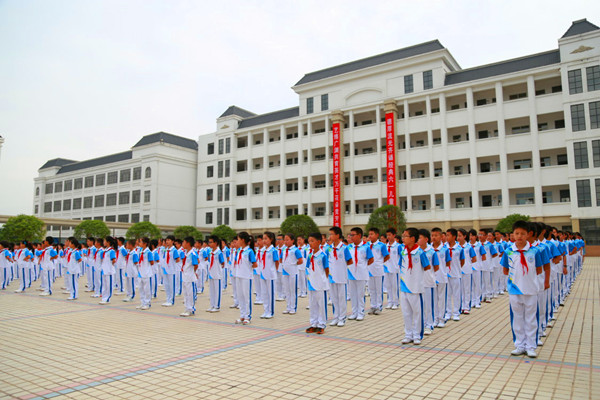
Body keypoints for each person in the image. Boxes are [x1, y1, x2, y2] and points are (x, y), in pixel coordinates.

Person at [501, 221, 543, 358]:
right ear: (512, 234)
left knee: (531, 319)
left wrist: (529, 281)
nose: (519, 236)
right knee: (517, 319)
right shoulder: (509, 251)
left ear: (528, 235)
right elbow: (505, 269)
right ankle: (519, 345)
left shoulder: (535, 251)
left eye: (523, 234)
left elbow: (539, 269)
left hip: (531, 290)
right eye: (517, 233)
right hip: (514, 290)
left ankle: (531, 346)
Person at [399, 228, 431, 345]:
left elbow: (427, 267)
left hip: (416, 287)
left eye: (405, 236)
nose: (403, 238)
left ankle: (417, 335)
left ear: (412, 238)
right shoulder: (402, 252)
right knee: (406, 312)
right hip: (404, 286)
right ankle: (408, 334)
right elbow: (401, 266)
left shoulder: (420, 252)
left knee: (417, 312)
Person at [327, 226, 352, 327]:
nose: (330, 236)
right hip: (331, 277)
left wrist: (341, 268)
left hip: (341, 277)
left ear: (337, 235)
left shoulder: (344, 248)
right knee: (334, 298)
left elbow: (350, 260)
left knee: (341, 298)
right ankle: (335, 317)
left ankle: (342, 318)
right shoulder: (329, 248)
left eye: (332, 234)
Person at [305, 232, 330, 334]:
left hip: (320, 284)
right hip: (312, 283)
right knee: (313, 304)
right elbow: (308, 267)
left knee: (321, 304)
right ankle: (313, 323)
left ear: (319, 242)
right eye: (309, 241)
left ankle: (321, 324)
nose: (310, 243)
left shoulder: (323, 255)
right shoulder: (310, 255)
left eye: (312, 241)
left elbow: (326, 269)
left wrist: (323, 280)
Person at [347, 227, 374, 321]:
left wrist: (363, 266)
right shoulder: (349, 247)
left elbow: (371, 259)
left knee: (360, 294)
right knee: (353, 294)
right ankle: (354, 312)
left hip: (361, 273)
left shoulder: (366, 246)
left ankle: (361, 313)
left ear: (359, 235)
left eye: (353, 235)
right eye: (350, 235)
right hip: (351, 273)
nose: (351, 237)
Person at [418, 229, 439, 335]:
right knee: (420, 305)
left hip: (428, 282)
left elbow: (436, 267)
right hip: (418, 283)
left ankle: (429, 325)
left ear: (426, 239)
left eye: (420, 238)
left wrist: (429, 275)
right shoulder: (416, 251)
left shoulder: (432, 252)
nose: (418, 240)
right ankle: (421, 324)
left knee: (428, 305)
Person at [235, 232, 257, 325]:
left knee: (246, 297)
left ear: (243, 240)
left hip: (246, 276)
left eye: (238, 239)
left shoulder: (250, 251)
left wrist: (247, 269)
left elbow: (255, 264)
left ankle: (248, 316)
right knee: (240, 296)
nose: (237, 241)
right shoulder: (239, 250)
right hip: (238, 275)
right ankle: (242, 315)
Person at [367, 227, 389, 315]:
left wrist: (380, 262)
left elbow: (387, 256)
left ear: (377, 235)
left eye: (372, 234)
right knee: (371, 289)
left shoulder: (381, 245)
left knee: (378, 289)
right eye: (369, 234)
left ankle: (379, 307)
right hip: (369, 270)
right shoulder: (367, 245)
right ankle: (373, 306)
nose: (370, 236)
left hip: (378, 270)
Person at [280, 233, 303, 315]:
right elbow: (280, 259)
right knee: (287, 290)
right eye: (284, 240)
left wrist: (293, 264)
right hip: (285, 272)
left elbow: (300, 261)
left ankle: (293, 308)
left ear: (292, 241)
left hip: (293, 272)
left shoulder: (295, 250)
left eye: (287, 240)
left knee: (292, 290)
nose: (285, 242)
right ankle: (288, 307)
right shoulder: (283, 250)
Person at [430, 228, 448, 328]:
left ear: (441, 237)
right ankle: (435, 319)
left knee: (441, 298)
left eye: (436, 235)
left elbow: (448, 262)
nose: (434, 237)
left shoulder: (445, 249)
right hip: (431, 277)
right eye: (432, 235)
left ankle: (442, 318)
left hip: (441, 277)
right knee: (433, 299)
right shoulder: (429, 249)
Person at [445, 229, 464, 321]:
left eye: (448, 235)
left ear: (454, 237)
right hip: (446, 274)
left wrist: (457, 269)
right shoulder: (444, 248)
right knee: (447, 294)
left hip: (456, 274)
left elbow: (462, 261)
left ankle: (456, 313)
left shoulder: (459, 248)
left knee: (456, 294)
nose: (446, 237)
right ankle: (448, 312)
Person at [260, 232, 279, 319]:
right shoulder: (262, 250)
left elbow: (276, 262)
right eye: (263, 239)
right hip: (263, 274)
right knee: (264, 293)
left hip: (270, 275)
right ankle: (265, 310)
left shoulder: (273, 250)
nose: (264, 240)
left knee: (270, 293)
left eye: (266, 239)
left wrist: (273, 271)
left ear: (271, 239)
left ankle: (271, 312)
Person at [180, 237, 199, 317]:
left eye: (183, 242)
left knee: (190, 294)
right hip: (185, 276)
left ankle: (191, 309)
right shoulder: (186, 253)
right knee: (186, 293)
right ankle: (187, 308)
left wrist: (193, 272)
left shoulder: (193, 254)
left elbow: (196, 264)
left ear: (188, 243)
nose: (182, 244)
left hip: (190, 277)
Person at [206, 235, 225, 312]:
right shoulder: (210, 252)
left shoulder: (219, 252)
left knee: (217, 291)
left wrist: (218, 270)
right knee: (212, 290)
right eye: (209, 242)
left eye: (211, 242)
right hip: (211, 273)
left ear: (215, 243)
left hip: (217, 274)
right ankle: (212, 305)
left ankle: (217, 306)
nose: (209, 244)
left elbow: (222, 262)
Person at [384, 228, 400, 310]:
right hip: (387, 269)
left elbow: (401, 257)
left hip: (395, 269)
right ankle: (389, 302)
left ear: (394, 235)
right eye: (387, 235)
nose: (388, 237)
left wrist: (398, 266)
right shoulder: (386, 246)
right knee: (388, 286)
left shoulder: (398, 246)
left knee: (395, 286)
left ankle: (396, 302)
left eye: (390, 235)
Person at [137, 237, 154, 310]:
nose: (139, 243)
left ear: (145, 243)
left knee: (147, 289)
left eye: (140, 242)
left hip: (146, 273)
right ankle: (142, 302)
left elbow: (152, 262)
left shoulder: (148, 252)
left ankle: (147, 303)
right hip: (140, 272)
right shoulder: (140, 251)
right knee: (141, 288)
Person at [162, 235, 179, 307]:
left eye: (169, 240)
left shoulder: (174, 250)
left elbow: (177, 259)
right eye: (166, 240)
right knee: (166, 285)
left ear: (172, 241)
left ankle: (171, 300)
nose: (167, 242)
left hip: (172, 270)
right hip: (166, 270)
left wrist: (172, 266)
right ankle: (167, 299)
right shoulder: (166, 250)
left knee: (171, 286)